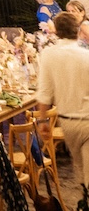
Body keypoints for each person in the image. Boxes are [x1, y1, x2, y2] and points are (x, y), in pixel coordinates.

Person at [37, 10, 89, 183]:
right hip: (87, 118)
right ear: (78, 30)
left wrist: (43, 120)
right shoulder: (86, 55)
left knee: (81, 169)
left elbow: (45, 92)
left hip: (67, 122)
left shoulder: (48, 54)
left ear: (57, 31)